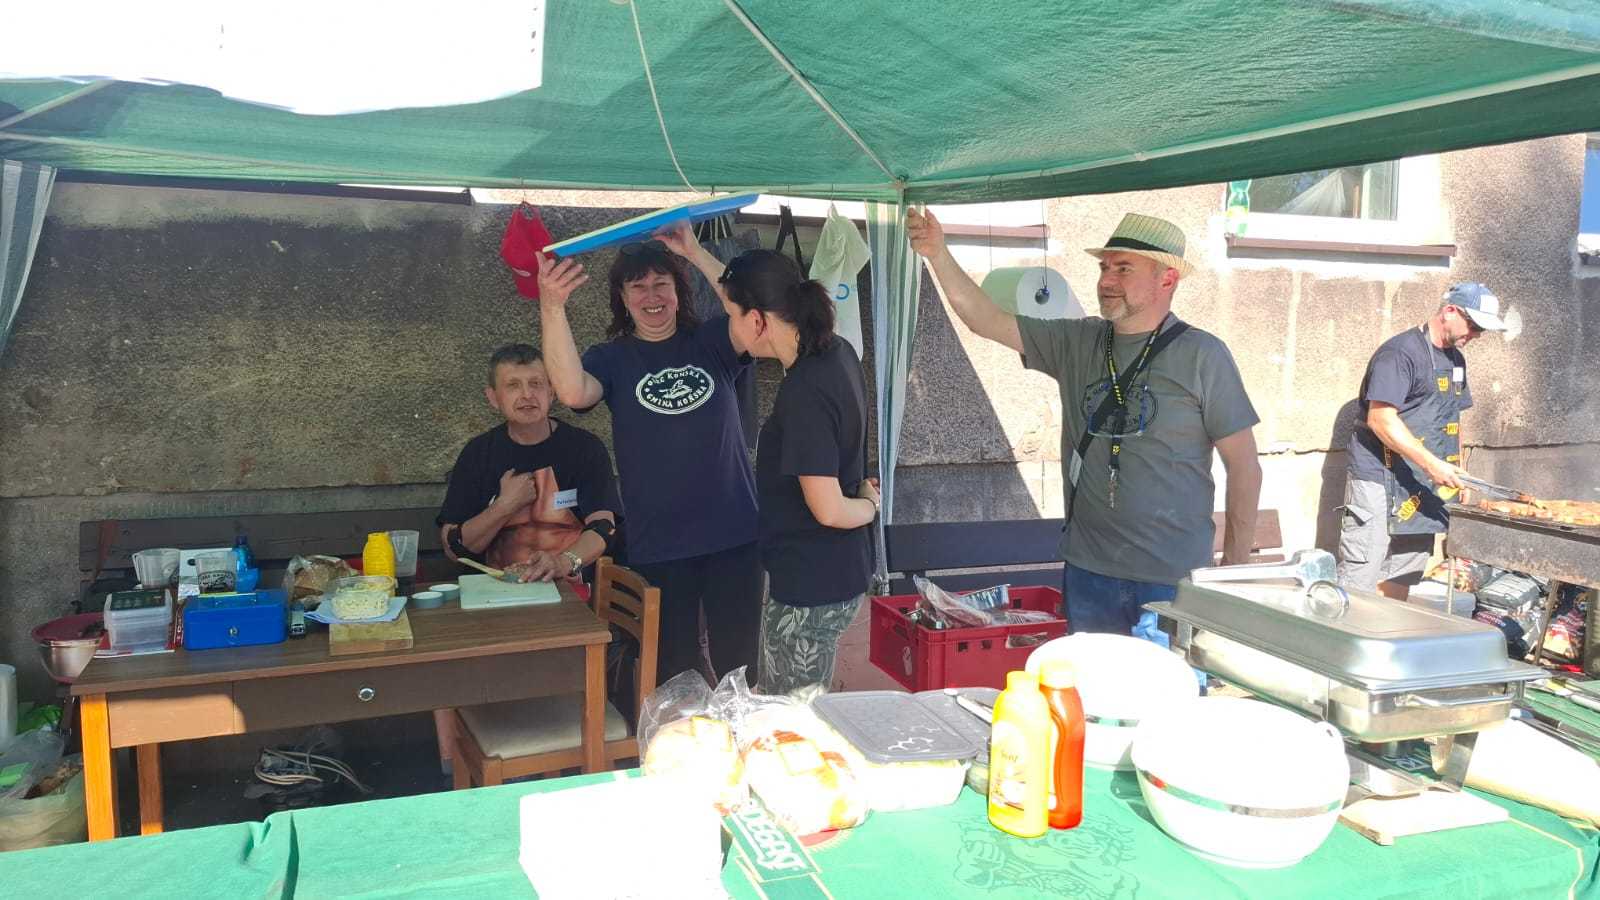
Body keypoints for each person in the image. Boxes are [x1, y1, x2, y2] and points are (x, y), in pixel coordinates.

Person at [908, 209, 1262, 637]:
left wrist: (1233, 569)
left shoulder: (1204, 355)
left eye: (1123, 268)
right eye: (1104, 267)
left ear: (1167, 278)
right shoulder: (1077, 341)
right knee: (1088, 682)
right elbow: (985, 319)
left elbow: (1244, 465)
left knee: (1169, 680)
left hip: (1172, 578)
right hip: (1089, 572)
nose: (1106, 280)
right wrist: (938, 253)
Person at [532, 229, 765, 685]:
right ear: (622, 299)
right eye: (638, 286)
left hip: (735, 535)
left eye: (662, 283)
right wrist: (552, 306)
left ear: (679, 292)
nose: (651, 296)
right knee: (674, 673)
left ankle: (742, 729)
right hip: (660, 542)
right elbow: (573, 391)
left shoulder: (712, 341)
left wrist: (694, 251)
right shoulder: (612, 358)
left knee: (741, 669)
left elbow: (752, 311)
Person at [716, 249, 876, 695]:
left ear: (757, 321)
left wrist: (869, 505)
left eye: (731, 315)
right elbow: (748, 290)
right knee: (798, 710)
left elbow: (829, 510)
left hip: (810, 588)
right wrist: (693, 250)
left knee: (791, 718)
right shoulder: (836, 352)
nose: (730, 326)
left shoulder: (805, 392)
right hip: (833, 574)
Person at [1337, 282, 1505, 599]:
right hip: (1379, 478)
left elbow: (1451, 418)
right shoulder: (1400, 354)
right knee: (1362, 574)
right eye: (1474, 325)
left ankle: (1391, 629)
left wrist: (1458, 472)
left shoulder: (1456, 361)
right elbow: (1380, 419)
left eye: (1482, 330)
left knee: (1405, 572)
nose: (1477, 335)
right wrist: (1432, 465)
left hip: (1421, 482)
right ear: (1450, 311)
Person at [437, 344, 620, 582]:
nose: (527, 395)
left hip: (569, 589)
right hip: (494, 592)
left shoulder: (584, 448)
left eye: (536, 383)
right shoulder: (478, 453)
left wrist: (562, 563)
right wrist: (505, 506)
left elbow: (604, 527)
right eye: (513, 385)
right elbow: (454, 548)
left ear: (551, 391)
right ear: (493, 397)